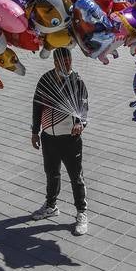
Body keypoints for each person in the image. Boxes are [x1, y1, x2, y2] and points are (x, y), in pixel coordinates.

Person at [30, 48, 89, 235]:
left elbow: (84, 107)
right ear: (54, 62)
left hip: (70, 138)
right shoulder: (45, 80)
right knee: (51, 173)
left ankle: (81, 213)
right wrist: (35, 131)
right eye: (61, 63)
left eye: (68, 62)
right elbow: (36, 106)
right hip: (48, 137)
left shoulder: (77, 82)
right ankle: (51, 206)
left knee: (76, 177)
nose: (65, 66)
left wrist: (81, 123)